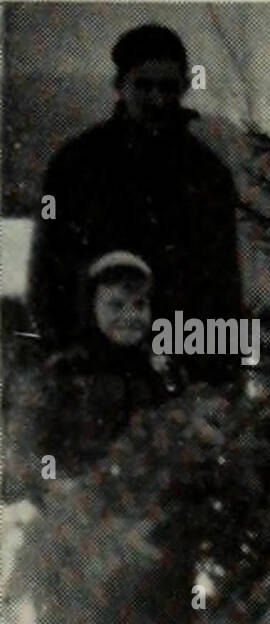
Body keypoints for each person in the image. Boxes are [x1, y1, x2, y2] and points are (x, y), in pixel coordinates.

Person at [28, 24, 242, 386]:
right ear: (120, 86)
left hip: (182, 368)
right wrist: (60, 346)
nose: (157, 99)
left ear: (185, 88)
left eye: (168, 87)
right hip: (93, 366)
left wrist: (222, 368)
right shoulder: (74, 165)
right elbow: (49, 267)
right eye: (144, 86)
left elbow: (223, 283)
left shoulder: (208, 174)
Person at [33, 251, 174, 483]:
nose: (130, 316)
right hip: (83, 498)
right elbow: (41, 449)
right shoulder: (67, 370)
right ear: (91, 309)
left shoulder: (160, 371)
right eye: (116, 305)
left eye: (140, 304)